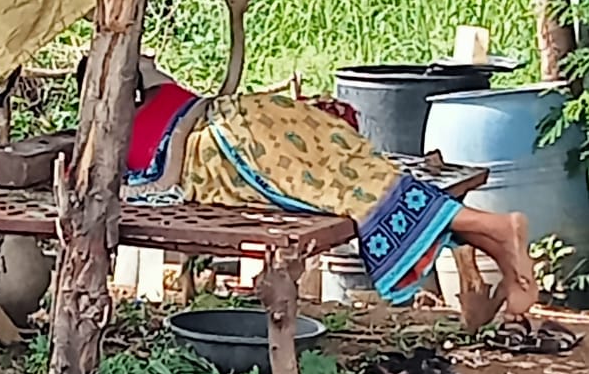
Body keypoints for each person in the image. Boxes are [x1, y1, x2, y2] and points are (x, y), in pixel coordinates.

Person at [76, 54, 538, 327]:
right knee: (363, 177)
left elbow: (165, 174)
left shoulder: (131, 120)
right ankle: (498, 241)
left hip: (232, 147)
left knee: (358, 194)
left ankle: (492, 227)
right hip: (262, 119)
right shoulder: (145, 104)